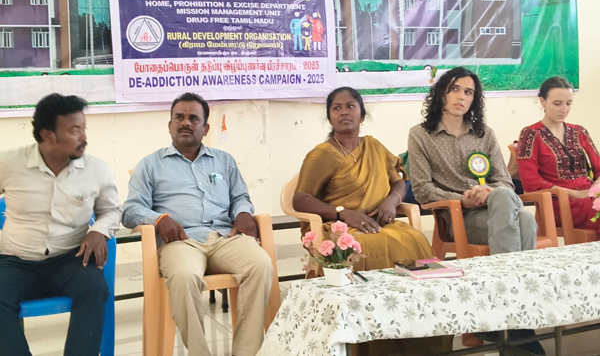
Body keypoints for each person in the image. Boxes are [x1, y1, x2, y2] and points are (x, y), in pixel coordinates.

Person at [294, 87, 450, 356]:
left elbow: (398, 182)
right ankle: (373, 345)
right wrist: (342, 213)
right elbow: (300, 199)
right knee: (366, 248)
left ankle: (417, 337)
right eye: (337, 108)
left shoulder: (374, 147)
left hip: (380, 222)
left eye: (351, 106)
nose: (344, 112)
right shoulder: (321, 155)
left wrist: (391, 201)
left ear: (362, 115)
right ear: (329, 118)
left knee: (414, 239)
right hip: (340, 227)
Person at [122, 93, 273, 356]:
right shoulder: (150, 164)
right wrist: (159, 219)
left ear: (205, 128)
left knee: (261, 265)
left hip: (225, 237)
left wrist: (243, 212)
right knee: (184, 276)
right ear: (170, 125)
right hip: (181, 242)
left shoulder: (223, 160)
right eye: (179, 117)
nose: (185, 123)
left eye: (194, 118)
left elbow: (240, 197)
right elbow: (130, 210)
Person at [407, 67, 544, 355]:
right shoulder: (420, 135)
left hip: (496, 209)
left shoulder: (485, 133)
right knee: (526, 222)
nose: (461, 96)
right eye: (455, 89)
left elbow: (504, 181)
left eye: (468, 92)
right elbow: (421, 189)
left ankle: (505, 316)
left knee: (510, 203)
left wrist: (488, 192)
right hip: (460, 217)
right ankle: (520, 318)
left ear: (474, 99)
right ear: (441, 93)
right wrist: (463, 199)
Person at [0, 93, 122, 356]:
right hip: (15, 261)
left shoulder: (96, 169)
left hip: (71, 259)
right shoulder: (9, 163)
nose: (84, 137)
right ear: (48, 136)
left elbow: (112, 211)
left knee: (94, 289)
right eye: (75, 130)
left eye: (84, 128)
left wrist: (98, 230)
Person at [517, 76, 600, 232]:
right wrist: (575, 194)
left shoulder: (580, 131)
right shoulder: (530, 134)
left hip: (590, 199)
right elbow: (530, 181)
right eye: (557, 103)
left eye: (568, 103)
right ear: (542, 101)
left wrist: (597, 186)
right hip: (558, 204)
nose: (564, 109)